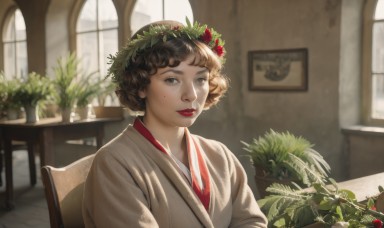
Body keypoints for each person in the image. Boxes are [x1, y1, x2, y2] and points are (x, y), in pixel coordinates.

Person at [82, 19, 268, 228]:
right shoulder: (114, 162)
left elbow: (251, 221)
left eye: (201, 79)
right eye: (172, 79)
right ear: (141, 85)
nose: (191, 95)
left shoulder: (220, 155)